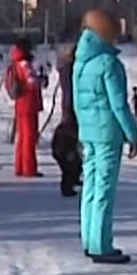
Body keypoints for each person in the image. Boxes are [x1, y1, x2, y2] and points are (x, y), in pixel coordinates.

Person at [73, 9, 137, 263]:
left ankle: (90, 240)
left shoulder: (81, 63)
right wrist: (131, 134)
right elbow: (119, 105)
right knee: (104, 189)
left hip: (88, 132)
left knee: (90, 187)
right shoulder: (108, 64)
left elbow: (79, 103)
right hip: (108, 134)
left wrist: (81, 129)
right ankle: (102, 245)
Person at [5, 38, 43, 178]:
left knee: (22, 137)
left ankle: (20, 166)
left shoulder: (15, 62)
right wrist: (41, 80)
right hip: (28, 103)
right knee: (29, 137)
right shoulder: (24, 63)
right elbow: (31, 82)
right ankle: (29, 168)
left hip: (20, 104)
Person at [51, 43, 83, 197]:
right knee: (70, 150)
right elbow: (71, 92)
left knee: (72, 148)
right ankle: (69, 181)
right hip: (72, 111)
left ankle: (73, 178)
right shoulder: (71, 70)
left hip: (70, 111)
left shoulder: (66, 68)